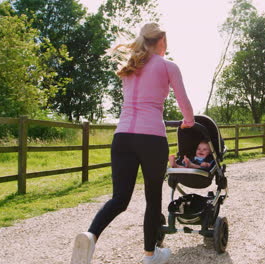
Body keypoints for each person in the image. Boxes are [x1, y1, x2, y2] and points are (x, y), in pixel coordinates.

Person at [70, 23, 194, 264]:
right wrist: (188, 122)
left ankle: (91, 235)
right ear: (161, 41)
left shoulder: (130, 67)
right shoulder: (169, 66)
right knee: (152, 198)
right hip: (152, 139)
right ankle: (150, 255)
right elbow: (185, 105)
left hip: (123, 137)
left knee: (120, 198)